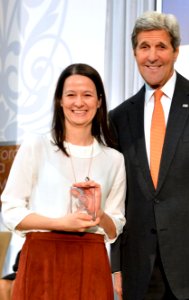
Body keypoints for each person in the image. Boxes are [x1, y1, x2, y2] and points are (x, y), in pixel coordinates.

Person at [109, 11, 189, 300]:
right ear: (135, 52)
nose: (152, 56)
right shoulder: (119, 117)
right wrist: (116, 266)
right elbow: (117, 197)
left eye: (161, 46)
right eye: (144, 47)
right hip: (140, 272)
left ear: (176, 51)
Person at [1, 63, 126, 300]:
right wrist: (61, 223)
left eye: (87, 95)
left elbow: (116, 226)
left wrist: (99, 214)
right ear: (60, 100)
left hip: (92, 261)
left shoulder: (114, 159)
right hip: (42, 258)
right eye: (71, 94)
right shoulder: (36, 146)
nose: (79, 102)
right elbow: (10, 210)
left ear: (99, 101)